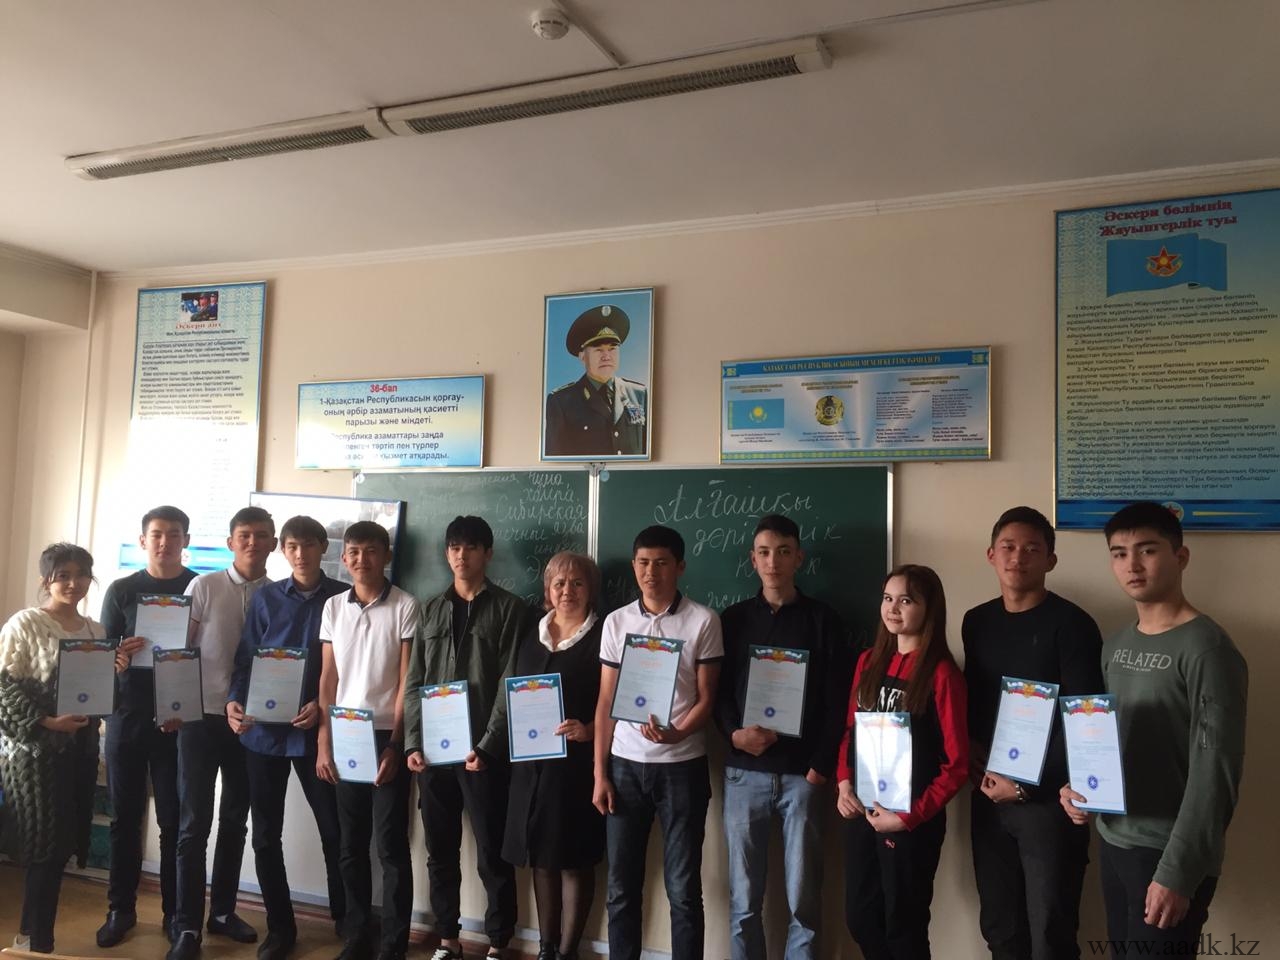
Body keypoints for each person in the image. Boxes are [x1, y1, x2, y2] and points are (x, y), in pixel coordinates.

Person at [1060, 502, 1247, 954]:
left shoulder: (1207, 649)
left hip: (1167, 853)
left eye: (1147, 550)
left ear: (1180, 557)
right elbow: (1111, 742)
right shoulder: (1116, 645)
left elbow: (1216, 774)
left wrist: (1178, 873)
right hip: (1114, 841)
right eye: (1119, 553)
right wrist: (1079, 787)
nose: (1132, 565)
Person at [964, 507, 1103, 960]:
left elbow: (1084, 723)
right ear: (991, 554)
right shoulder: (976, 622)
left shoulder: (1074, 625)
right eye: (1008, 547)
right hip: (989, 794)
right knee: (1000, 929)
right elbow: (974, 701)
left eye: (1031, 549)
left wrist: (1027, 788)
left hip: (1049, 804)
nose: (1018, 557)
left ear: (1051, 560)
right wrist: (971, 752)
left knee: (1050, 935)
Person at [713, 513, 852, 960]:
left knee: (803, 901)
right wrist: (734, 735)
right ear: (752, 559)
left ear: (799, 558)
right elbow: (716, 692)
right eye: (765, 552)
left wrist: (820, 766)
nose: (773, 561)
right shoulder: (732, 620)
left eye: (783, 552)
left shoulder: (823, 620)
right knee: (743, 900)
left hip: (801, 776)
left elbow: (837, 700)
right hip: (743, 773)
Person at [593, 525, 723, 960]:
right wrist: (600, 774)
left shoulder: (703, 620)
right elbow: (606, 701)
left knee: (683, 889)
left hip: (682, 768)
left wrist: (678, 733)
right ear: (634, 566)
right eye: (644, 563)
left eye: (662, 563)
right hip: (625, 767)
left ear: (680, 567)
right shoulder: (617, 622)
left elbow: (707, 698)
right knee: (621, 887)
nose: (651, 572)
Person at [405, 515, 532, 960]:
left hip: (483, 754)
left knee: (492, 853)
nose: (462, 556)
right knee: (440, 852)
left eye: (471, 548)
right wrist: (413, 742)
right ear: (447, 554)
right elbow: (415, 680)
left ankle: (498, 943)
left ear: (487, 554)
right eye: (455, 547)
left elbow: (509, 682)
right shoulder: (430, 609)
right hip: (434, 755)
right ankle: (448, 940)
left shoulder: (510, 609)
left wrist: (488, 744)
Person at [226, 515, 350, 960]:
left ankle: (348, 920)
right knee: (265, 836)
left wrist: (322, 705)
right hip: (264, 735)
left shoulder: (343, 598)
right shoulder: (266, 598)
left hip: (317, 735)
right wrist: (234, 701)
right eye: (293, 546)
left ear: (323, 547)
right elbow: (247, 659)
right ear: (283, 550)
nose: (301, 554)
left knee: (335, 831)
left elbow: (351, 665)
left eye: (309, 545)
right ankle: (280, 928)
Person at [836, 564, 968, 960]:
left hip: (910, 821)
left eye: (906, 600)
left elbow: (957, 764)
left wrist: (909, 817)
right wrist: (843, 783)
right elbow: (850, 730)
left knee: (903, 927)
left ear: (929, 608)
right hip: (863, 811)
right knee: (861, 918)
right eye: (887, 598)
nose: (893, 608)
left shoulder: (942, 674)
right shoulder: (867, 661)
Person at [169, 506, 276, 960]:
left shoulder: (279, 594)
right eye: (244, 535)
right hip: (201, 719)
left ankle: (224, 912)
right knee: (194, 824)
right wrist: (172, 707)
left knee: (235, 820)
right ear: (231, 542)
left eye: (262, 535)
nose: (253, 542)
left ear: (274, 544)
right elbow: (178, 650)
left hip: (251, 724)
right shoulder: (204, 586)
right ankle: (186, 926)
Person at [317, 521, 417, 960]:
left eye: (371, 551)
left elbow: (407, 681)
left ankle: (393, 945)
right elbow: (328, 678)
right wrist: (324, 741)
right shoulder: (333, 607)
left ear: (386, 556)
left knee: (391, 846)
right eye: (354, 552)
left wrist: (395, 744)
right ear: (344, 558)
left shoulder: (406, 605)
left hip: (385, 735)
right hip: (345, 732)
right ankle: (356, 935)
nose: (362, 559)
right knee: (350, 845)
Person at [98, 505, 196, 948]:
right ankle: (120, 909)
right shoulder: (121, 589)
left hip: (177, 720)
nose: (164, 542)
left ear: (185, 540)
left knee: (174, 822)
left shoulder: (197, 587)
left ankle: (175, 915)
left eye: (173, 534)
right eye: (156, 534)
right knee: (125, 818)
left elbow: (205, 652)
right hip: (127, 718)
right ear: (143, 541)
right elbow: (102, 657)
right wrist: (118, 655)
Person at [501, 552, 606, 960]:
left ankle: (568, 951)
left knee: (574, 858)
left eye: (577, 583)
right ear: (548, 589)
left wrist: (590, 730)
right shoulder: (532, 631)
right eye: (559, 583)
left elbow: (618, 699)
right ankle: (546, 948)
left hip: (577, 766)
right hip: (530, 765)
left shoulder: (604, 634)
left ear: (590, 589)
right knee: (540, 855)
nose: (567, 591)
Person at [0, 543, 102, 954]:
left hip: (79, 751)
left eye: (81, 575)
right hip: (34, 755)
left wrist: (113, 675)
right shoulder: (25, 624)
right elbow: (3, 687)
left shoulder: (95, 632)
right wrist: (45, 721)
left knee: (61, 846)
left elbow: (96, 695)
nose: (73, 583)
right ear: (47, 580)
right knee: (43, 847)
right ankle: (34, 940)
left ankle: (37, 936)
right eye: (63, 575)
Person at [544, 303, 648, 457]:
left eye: (612, 348)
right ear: (582, 356)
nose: (607, 356)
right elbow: (556, 462)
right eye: (598, 349)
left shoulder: (640, 395)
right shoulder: (561, 402)